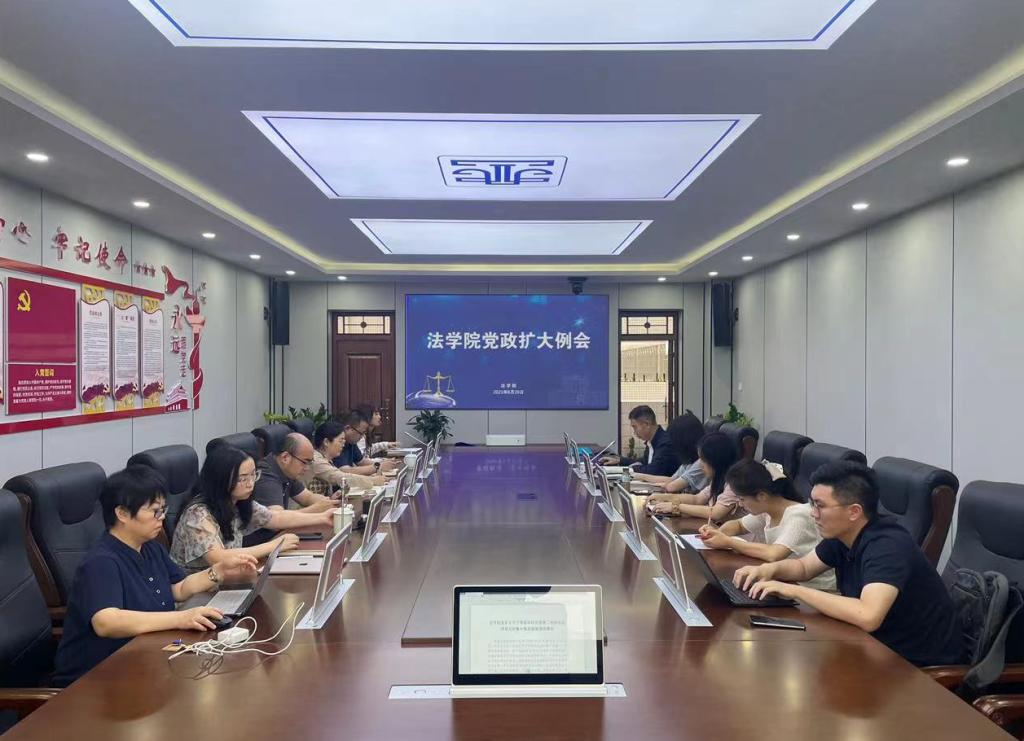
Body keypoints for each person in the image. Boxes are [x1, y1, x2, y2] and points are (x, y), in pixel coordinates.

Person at [734, 461, 963, 667]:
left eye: (820, 506)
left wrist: (793, 590)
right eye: (812, 504)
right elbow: (804, 568)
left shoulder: (888, 545)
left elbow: (868, 615)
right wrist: (768, 570)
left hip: (915, 664)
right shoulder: (844, 534)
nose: (813, 514)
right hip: (873, 646)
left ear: (854, 511)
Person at [52, 466, 259, 686]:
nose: (161, 518)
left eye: (163, 510)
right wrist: (180, 618)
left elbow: (178, 589)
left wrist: (218, 571)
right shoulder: (101, 561)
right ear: (122, 513)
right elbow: (106, 622)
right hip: (96, 679)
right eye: (155, 511)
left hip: (144, 660)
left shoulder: (149, 547)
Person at [171, 445, 336, 571]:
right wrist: (274, 546)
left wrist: (322, 517)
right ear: (221, 479)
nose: (251, 483)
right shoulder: (197, 514)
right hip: (197, 595)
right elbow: (218, 558)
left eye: (253, 475)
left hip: (229, 579)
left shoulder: (238, 501)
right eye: (243, 478)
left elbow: (275, 517)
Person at [697, 459, 835, 591]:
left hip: (813, 589)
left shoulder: (799, 515)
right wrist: (718, 533)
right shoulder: (767, 511)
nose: (740, 504)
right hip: (785, 582)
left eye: (742, 499)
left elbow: (773, 554)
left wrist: (728, 542)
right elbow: (738, 525)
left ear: (761, 496)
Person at [646, 432, 741, 522]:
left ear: (716, 461)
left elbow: (716, 513)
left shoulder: (734, 483)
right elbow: (697, 499)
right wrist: (663, 497)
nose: (700, 465)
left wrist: (676, 507)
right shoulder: (719, 479)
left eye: (703, 460)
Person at [305, 420, 386, 498]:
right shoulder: (316, 460)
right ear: (326, 442)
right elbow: (342, 477)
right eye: (341, 441)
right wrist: (372, 480)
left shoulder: (327, 459)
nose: (343, 445)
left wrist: (332, 498)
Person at [632, 412, 707, 493]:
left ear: (684, 441)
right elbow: (671, 480)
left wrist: (643, 483)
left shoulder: (701, 463)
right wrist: (637, 476)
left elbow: (672, 486)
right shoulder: (688, 462)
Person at [600, 405, 680, 477]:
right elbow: (644, 461)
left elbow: (653, 471)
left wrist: (627, 470)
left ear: (647, 424)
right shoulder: (652, 440)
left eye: (635, 427)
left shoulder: (665, 443)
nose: (634, 432)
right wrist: (620, 461)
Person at [331, 411, 397, 477]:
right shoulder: (336, 443)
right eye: (361, 433)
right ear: (348, 428)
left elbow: (361, 461)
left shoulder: (351, 442)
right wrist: (378, 467)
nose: (362, 436)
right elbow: (345, 471)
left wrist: (384, 464)